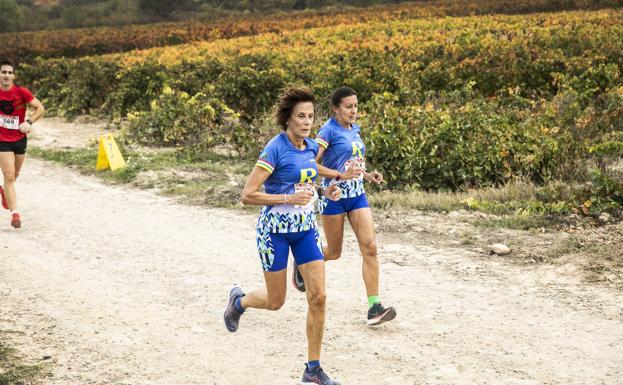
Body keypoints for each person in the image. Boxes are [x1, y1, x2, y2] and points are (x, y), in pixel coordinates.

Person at [223, 85, 342, 385]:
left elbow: (307, 181)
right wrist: (287, 200)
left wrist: (326, 190)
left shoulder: (312, 148)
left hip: (304, 230)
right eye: (300, 116)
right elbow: (247, 195)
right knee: (276, 301)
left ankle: (312, 369)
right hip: (274, 232)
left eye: (311, 116)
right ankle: (239, 302)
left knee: (319, 296)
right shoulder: (274, 148)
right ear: (288, 118)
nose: (306, 122)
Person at [292, 86, 396, 326]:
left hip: (358, 196)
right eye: (348, 107)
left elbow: (351, 163)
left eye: (356, 106)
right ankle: (302, 261)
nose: (354, 111)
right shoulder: (328, 131)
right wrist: (339, 176)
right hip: (335, 197)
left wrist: (368, 175)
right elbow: (309, 163)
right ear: (336, 109)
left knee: (370, 247)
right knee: (334, 252)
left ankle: (374, 307)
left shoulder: (355, 130)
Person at [0, 60, 45, 228]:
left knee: (15, 175)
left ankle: (4, 191)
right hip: (2, 140)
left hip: (19, 139)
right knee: (9, 175)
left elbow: (40, 108)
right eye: (3, 72)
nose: (6, 75)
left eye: (10, 73)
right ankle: (15, 214)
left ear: (14, 76)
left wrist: (29, 122)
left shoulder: (21, 92)